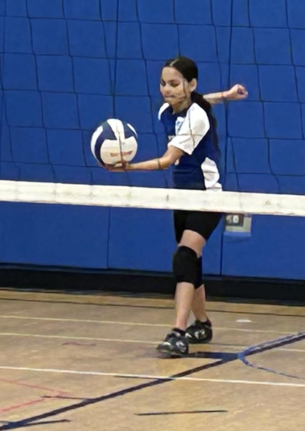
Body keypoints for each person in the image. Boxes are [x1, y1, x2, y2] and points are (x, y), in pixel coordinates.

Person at [105, 56, 246, 357]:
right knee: (191, 261)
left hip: (208, 197)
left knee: (183, 257)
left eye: (173, 84)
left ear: (190, 84)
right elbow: (197, 100)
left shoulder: (198, 116)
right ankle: (203, 324)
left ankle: (178, 332)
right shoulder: (166, 112)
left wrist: (126, 167)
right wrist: (226, 95)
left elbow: (167, 160)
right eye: (163, 83)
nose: (166, 90)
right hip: (182, 197)